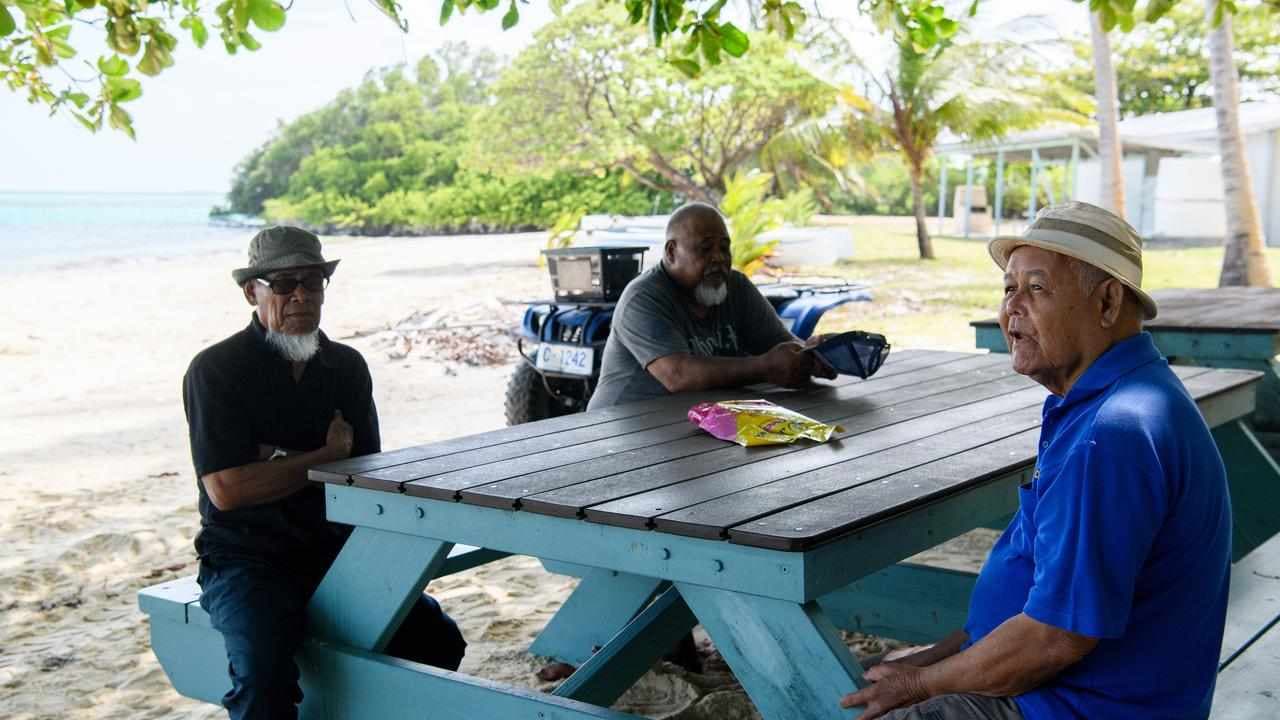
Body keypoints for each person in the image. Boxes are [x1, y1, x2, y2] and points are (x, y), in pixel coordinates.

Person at [840, 202, 1232, 719]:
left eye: (1036, 288)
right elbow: (1039, 591)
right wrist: (940, 659)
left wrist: (921, 684)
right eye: (1009, 288)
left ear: (1108, 302)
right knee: (859, 685)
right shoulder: (1107, 401)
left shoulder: (1115, 432)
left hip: (1076, 707)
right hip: (1060, 688)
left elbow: (1055, 638)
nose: (1011, 309)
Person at [183, 226, 466, 720]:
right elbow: (228, 489)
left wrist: (277, 460)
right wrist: (325, 455)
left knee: (439, 643)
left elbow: (365, 472)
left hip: (330, 549)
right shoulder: (217, 370)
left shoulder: (345, 366)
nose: (301, 295)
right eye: (284, 283)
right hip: (247, 558)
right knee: (262, 680)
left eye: (312, 281)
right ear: (252, 292)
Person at [586, 202, 835, 411]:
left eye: (724, 248)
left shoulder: (736, 287)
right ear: (671, 252)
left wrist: (816, 353)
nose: (719, 258)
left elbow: (781, 345)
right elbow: (678, 375)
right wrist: (765, 367)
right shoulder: (643, 297)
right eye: (705, 249)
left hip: (688, 423)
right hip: (618, 429)